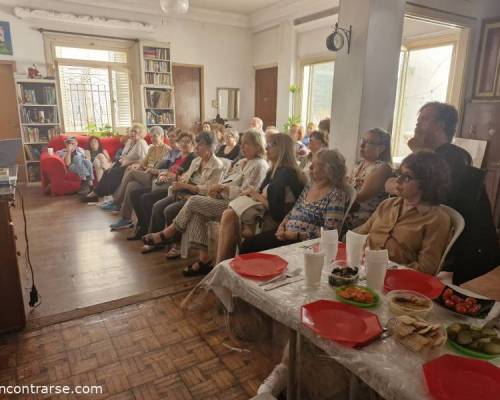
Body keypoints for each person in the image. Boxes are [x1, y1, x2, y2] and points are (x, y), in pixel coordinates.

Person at [386, 102, 500, 284]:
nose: (417, 124)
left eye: (424, 119)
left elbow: (427, 191)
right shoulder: (434, 156)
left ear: (440, 126)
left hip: (463, 242)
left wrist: (418, 152)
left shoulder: (453, 156)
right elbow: (392, 184)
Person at [144, 130, 269, 275]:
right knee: (196, 212)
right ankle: (203, 260)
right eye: (242, 143)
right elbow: (224, 180)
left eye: (246, 144)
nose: (242, 147)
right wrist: (217, 189)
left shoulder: (260, 165)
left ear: (258, 146)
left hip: (234, 205)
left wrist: (222, 188)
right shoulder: (241, 162)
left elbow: (247, 192)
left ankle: (168, 233)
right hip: (220, 199)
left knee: (194, 201)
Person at [357, 151, 452, 276]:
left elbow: (427, 269)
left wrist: (388, 269)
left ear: (427, 183)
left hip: (396, 280)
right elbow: (359, 235)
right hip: (362, 268)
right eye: (399, 174)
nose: (398, 180)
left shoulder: (436, 219)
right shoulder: (388, 204)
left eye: (407, 177)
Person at [215, 134, 305, 264]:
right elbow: (260, 191)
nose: (266, 148)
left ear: (282, 148)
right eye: (267, 144)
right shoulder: (273, 170)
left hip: (279, 223)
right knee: (228, 214)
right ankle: (222, 266)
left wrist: (256, 195)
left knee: (230, 220)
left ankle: (221, 267)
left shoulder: (287, 173)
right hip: (263, 214)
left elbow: (278, 213)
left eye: (271, 145)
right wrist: (252, 193)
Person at [240, 149, 349, 254]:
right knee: (248, 244)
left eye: (316, 164)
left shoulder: (336, 195)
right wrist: (282, 226)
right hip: (286, 236)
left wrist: (295, 235)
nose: (310, 166)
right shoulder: (310, 187)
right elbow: (293, 212)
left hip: (305, 245)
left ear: (329, 169)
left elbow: (330, 234)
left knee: (250, 248)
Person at [141, 131, 225, 257]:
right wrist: (180, 181)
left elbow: (210, 190)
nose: (196, 148)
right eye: (196, 144)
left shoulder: (217, 165)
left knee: (169, 210)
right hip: (184, 194)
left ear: (210, 147)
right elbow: (186, 176)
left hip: (198, 199)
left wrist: (186, 186)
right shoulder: (196, 161)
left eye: (200, 145)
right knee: (157, 206)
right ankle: (158, 242)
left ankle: (177, 244)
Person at [128, 132, 196, 240]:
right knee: (134, 194)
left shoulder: (192, 158)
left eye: (187, 142)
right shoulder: (177, 156)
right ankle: (143, 226)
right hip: (163, 183)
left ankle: (151, 232)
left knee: (145, 198)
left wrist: (165, 174)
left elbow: (182, 177)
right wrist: (162, 174)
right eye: (182, 141)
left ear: (193, 144)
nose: (184, 144)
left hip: (171, 188)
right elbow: (166, 169)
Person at [108, 127, 169, 228]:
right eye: (151, 136)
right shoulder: (152, 148)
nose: (152, 139)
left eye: (155, 136)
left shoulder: (167, 150)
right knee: (131, 186)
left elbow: (161, 169)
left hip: (155, 178)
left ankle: (117, 201)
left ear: (162, 136)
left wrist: (147, 168)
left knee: (131, 173)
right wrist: (139, 166)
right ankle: (125, 219)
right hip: (146, 174)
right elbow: (143, 163)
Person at [343, 128, 393, 232]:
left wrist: (338, 182)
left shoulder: (382, 168)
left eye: (368, 142)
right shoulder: (359, 164)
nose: (361, 145)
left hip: (365, 219)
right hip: (349, 211)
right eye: (362, 140)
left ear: (381, 148)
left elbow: (361, 197)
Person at [83, 123, 149, 202]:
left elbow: (144, 159)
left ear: (140, 133)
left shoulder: (141, 143)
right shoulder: (130, 142)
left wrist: (128, 162)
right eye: (131, 131)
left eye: (135, 132)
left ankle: (95, 193)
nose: (132, 133)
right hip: (122, 163)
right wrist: (121, 160)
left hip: (131, 166)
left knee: (112, 173)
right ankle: (97, 193)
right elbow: (124, 155)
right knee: (107, 172)